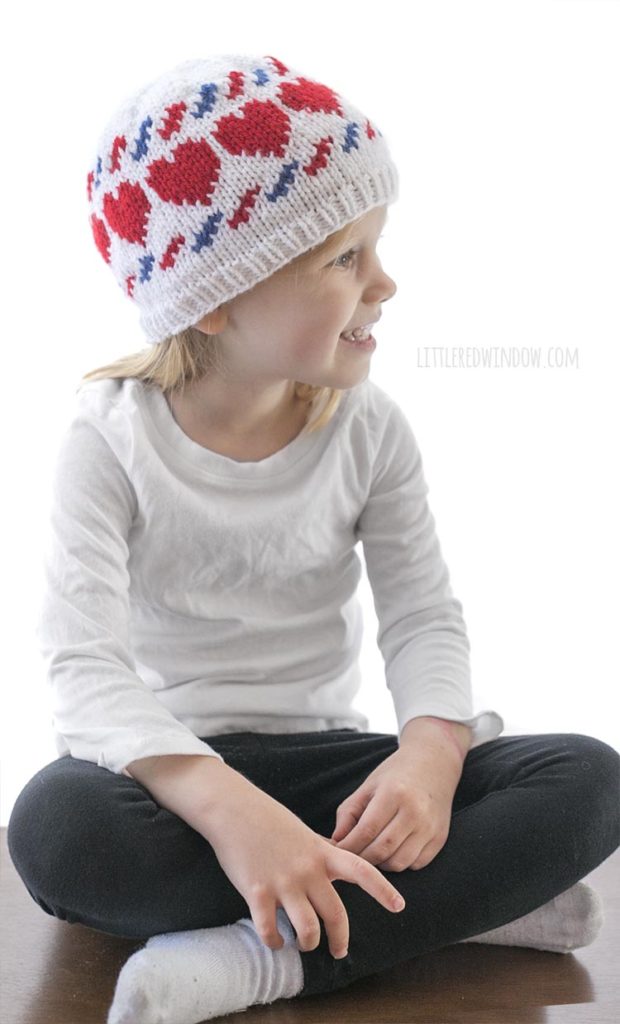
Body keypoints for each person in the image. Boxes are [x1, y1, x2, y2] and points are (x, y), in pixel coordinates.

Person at [7, 53, 619, 1024]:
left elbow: (422, 614)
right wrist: (231, 811)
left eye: (374, 247)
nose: (384, 282)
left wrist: (426, 755)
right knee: (57, 830)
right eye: (344, 258)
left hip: (328, 769)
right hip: (176, 782)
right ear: (216, 296)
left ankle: (265, 958)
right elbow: (84, 668)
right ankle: (452, 908)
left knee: (586, 777)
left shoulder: (366, 427)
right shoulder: (108, 436)